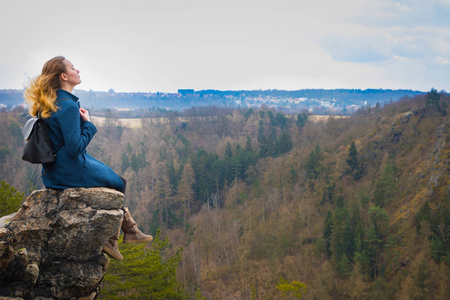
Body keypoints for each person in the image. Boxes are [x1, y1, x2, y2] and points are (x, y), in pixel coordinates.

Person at [24, 56, 152, 261]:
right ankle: (115, 238)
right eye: (73, 68)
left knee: (115, 180)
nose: (78, 71)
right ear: (64, 76)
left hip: (53, 171)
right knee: (119, 182)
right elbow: (74, 148)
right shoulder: (67, 106)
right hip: (69, 169)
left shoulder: (50, 102)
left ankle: (129, 231)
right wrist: (89, 125)